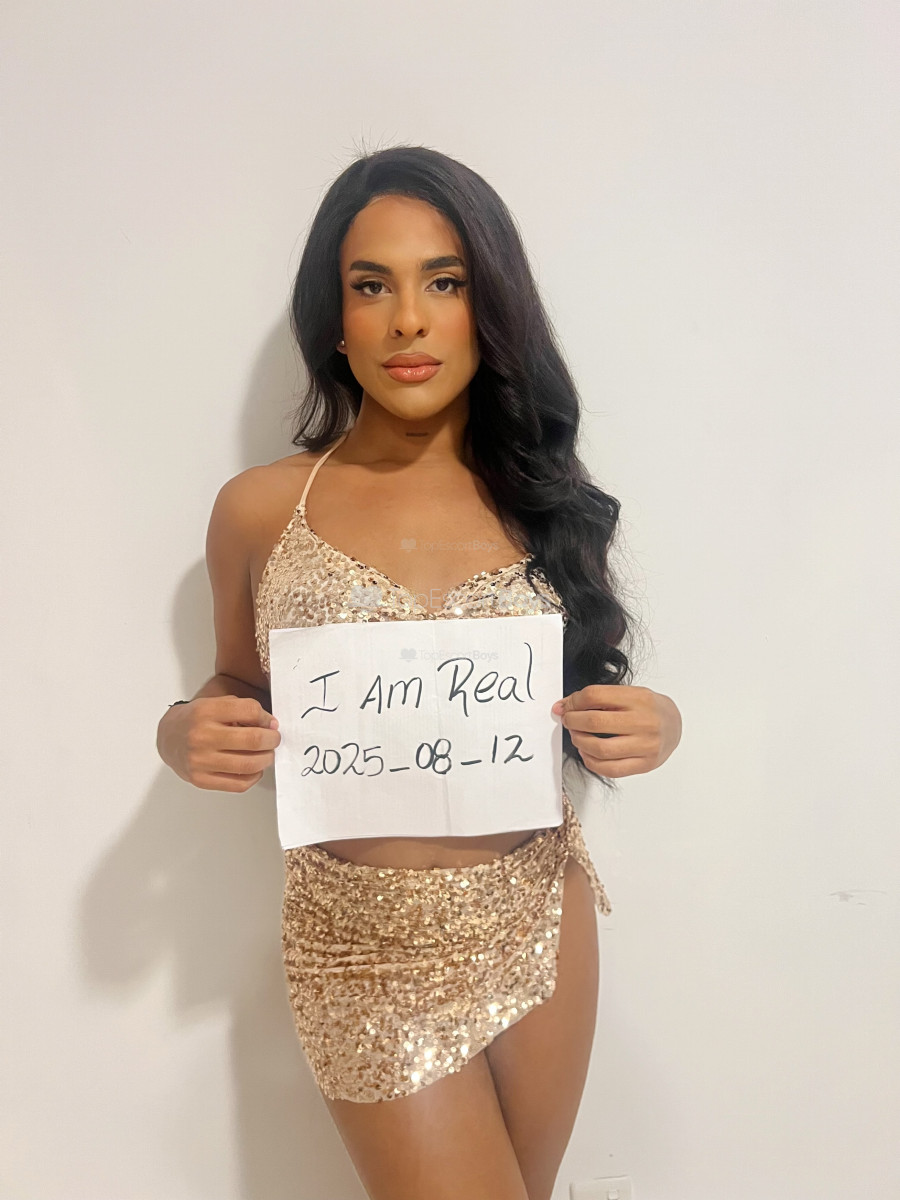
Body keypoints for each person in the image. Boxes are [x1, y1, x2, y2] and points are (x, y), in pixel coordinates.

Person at [156, 145, 682, 1200]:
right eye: (372, 286)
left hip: (540, 915)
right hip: (358, 941)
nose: (408, 320)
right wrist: (186, 728)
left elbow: (595, 683)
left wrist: (655, 722)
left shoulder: (544, 498)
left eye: (444, 282)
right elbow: (234, 684)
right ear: (334, 319)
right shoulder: (261, 508)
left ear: (490, 308)